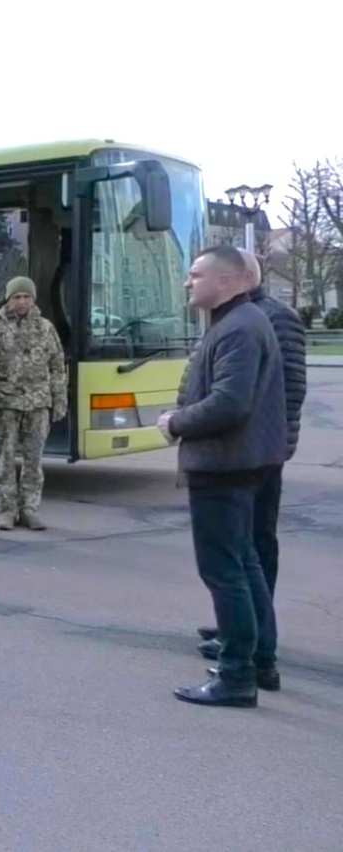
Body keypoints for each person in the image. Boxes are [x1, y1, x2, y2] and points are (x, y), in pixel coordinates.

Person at [158, 245, 287, 707]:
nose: (188, 282)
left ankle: (236, 677)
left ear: (229, 281)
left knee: (225, 571)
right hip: (241, 462)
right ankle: (256, 663)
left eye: (196, 274)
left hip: (225, 465)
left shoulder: (238, 327)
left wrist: (176, 422)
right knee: (244, 565)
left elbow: (231, 402)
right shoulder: (242, 322)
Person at [195, 249, 306, 661]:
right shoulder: (236, 316)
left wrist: (274, 442)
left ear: (240, 277)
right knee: (244, 550)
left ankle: (255, 639)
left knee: (255, 546)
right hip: (251, 447)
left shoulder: (269, 318)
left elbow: (287, 387)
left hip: (256, 451)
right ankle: (242, 628)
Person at [0, 276, 67, 531]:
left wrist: (58, 400)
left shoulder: (45, 328)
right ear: (9, 299)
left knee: (33, 461)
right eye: (17, 297)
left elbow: (57, 366)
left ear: (33, 299)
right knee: (5, 460)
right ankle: (7, 511)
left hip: (38, 404)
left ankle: (30, 509)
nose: (22, 301)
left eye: (26, 297)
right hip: (6, 404)